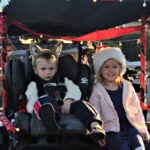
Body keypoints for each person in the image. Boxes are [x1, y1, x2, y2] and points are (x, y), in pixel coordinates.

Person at [25, 52, 105, 145]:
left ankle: (95, 126)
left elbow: (75, 91)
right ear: (35, 70)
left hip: (66, 107)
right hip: (47, 108)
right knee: (42, 101)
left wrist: (69, 100)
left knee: (82, 104)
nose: (48, 72)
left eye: (51, 68)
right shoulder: (34, 84)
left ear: (56, 69)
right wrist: (34, 110)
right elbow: (31, 100)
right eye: (43, 69)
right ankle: (51, 121)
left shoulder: (65, 81)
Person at [89, 47, 150, 150]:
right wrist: (99, 133)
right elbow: (95, 113)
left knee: (139, 146)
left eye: (114, 66)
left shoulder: (127, 86)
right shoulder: (97, 90)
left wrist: (143, 128)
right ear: (100, 70)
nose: (111, 70)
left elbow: (137, 110)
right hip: (110, 130)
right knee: (122, 147)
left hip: (131, 127)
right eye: (106, 67)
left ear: (120, 69)